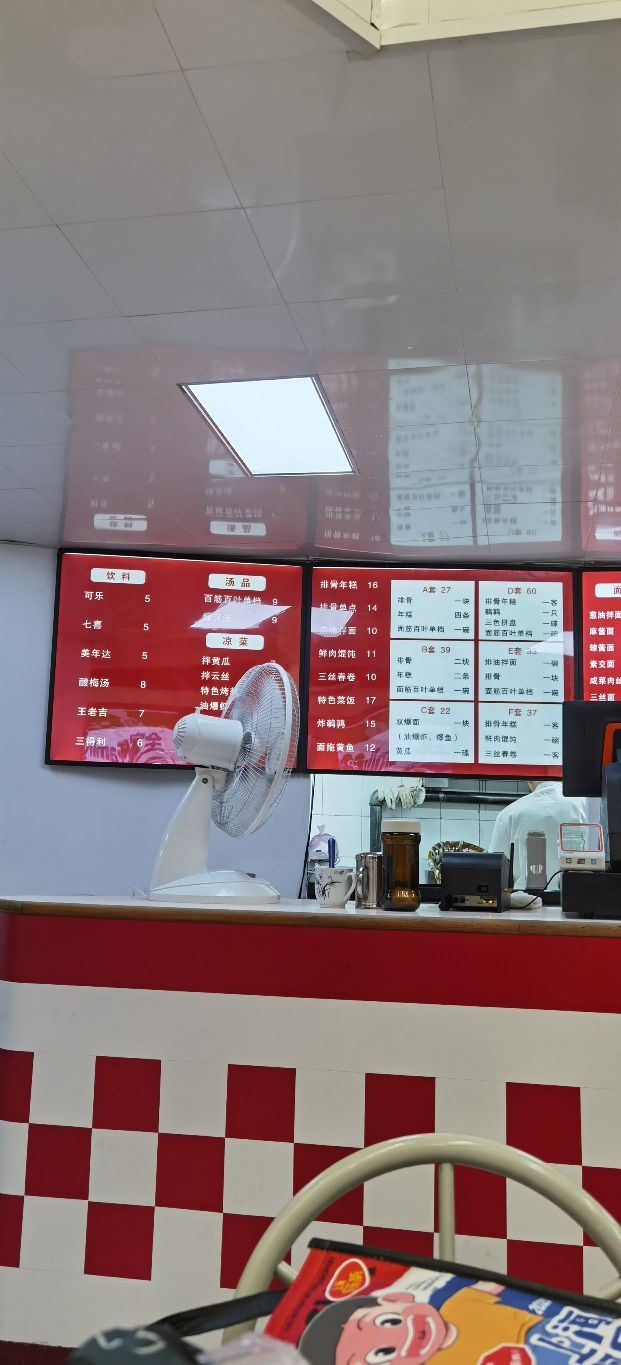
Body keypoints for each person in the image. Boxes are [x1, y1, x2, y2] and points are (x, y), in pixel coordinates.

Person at [487, 780, 589, 891]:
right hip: (577, 897)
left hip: (525, 899)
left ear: (529, 781)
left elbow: (495, 871)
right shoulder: (587, 806)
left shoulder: (507, 813)